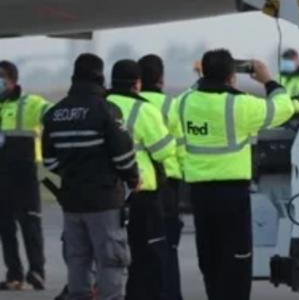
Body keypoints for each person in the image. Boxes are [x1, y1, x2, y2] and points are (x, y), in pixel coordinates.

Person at [178, 50, 295, 300]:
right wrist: (268, 80)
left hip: (199, 195)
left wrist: (201, 79)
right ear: (232, 77)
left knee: (210, 259)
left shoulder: (185, 102)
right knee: (237, 261)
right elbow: (284, 109)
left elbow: (187, 96)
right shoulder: (239, 105)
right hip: (232, 195)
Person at [42, 54, 139, 300]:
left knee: (77, 260)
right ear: (99, 76)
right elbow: (123, 156)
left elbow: (49, 161)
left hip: (72, 201)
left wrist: (72, 173)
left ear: (74, 77)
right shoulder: (106, 110)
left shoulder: (55, 113)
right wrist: (132, 179)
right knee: (110, 260)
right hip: (104, 200)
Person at [107, 60, 179, 300]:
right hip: (141, 192)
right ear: (137, 84)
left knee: (108, 257)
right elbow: (163, 151)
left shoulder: (102, 104)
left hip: (106, 193)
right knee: (148, 257)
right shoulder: (144, 109)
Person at [138, 54, 184, 300]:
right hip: (168, 183)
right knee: (168, 247)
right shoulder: (171, 104)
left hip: (138, 182)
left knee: (141, 248)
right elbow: (181, 144)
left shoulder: (130, 103)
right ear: (161, 79)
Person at [0, 61, 49, 290]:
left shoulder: (30, 103)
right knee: (5, 227)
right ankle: (14, 275)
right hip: (1, 174)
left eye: (1, 77)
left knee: (30, 224)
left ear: (12, 80)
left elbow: (53, 115)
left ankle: (36, 271)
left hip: (24, 172)